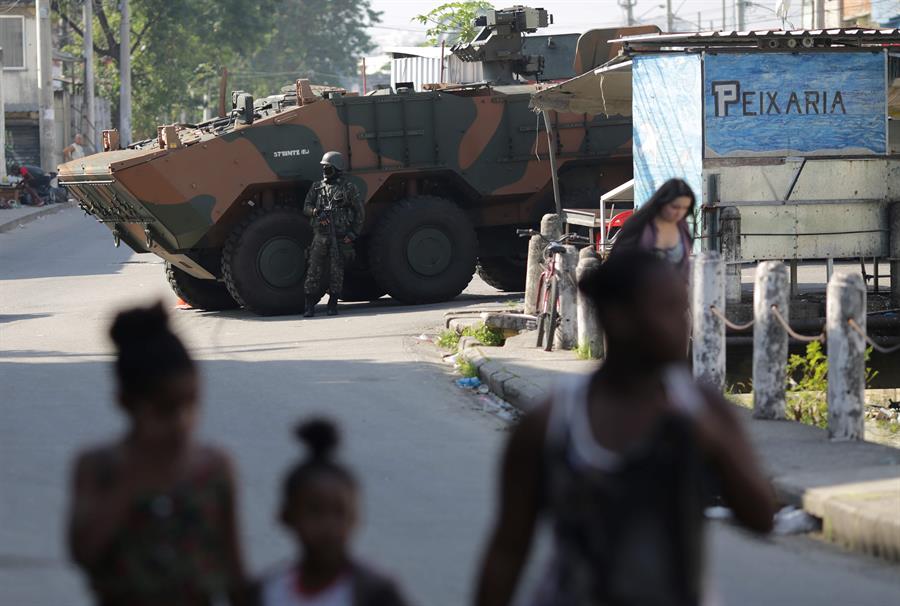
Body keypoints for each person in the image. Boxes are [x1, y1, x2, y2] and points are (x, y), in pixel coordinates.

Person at [473, 250, 776, 606]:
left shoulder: (703, 409)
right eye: (667, 309)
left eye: (682, 309)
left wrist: (716, 445)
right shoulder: (551, 423)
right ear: (620, 319)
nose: (683, 324)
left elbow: (761, 517)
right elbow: (509, 549)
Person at [67, 302, 247, 606]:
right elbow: (84, 552)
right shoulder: (98, 467)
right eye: (165, 409)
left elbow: (234, 571)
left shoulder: (213, 469)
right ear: (125, 402)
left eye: (190, 405)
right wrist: (133, 476)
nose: (181, 421)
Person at [253, 418, 410, 606]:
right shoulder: (265, 591)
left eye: (340, 512)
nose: (329, 525)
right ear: (286, 516)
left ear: (355, 518)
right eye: (315, 512)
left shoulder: (377, 595)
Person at [303, 151, 365, 317]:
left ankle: (333, 304)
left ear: (336, 169)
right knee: (313, 271)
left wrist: (353, 234)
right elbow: (306, 207)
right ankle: (309, 305)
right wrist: (316, 212)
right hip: (321, 236)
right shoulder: (317, 187)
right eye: (323, 168)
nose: (324, 171)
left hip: (340, 237)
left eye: (328, 168)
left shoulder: (348, 188)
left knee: (336, 272)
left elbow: (359, 212)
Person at [611, 178, 695, 279]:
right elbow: (618, 263)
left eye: (685, 208)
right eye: (675, 207)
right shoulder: (639, 226)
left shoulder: (682, 226)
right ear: (662, 202)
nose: (680, 213)